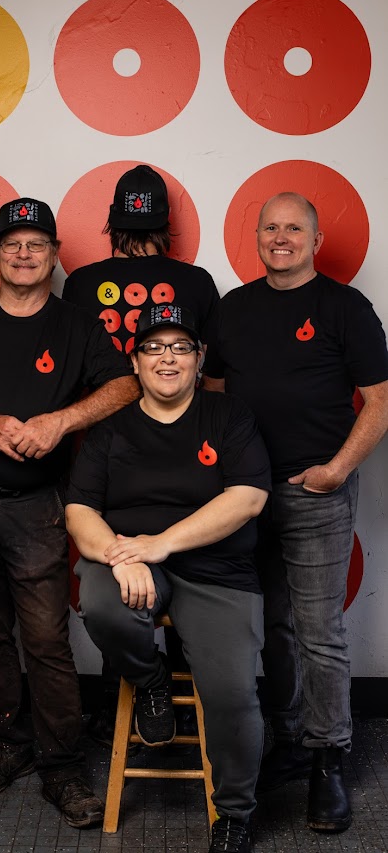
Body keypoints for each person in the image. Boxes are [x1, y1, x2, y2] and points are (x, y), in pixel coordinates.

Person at [0, 197, 138, 828]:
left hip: (37, 506)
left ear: (55, 255)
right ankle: (9, 745)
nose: (23, 253)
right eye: (12, 243)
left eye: (36, 244)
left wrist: (61, 421)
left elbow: (125, 384)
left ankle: (61, 764)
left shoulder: (76, 325)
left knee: (45, 639)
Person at [203, 192, 388, 833]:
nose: (281, 238)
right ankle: (288, 741)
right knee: (272, 626)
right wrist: (226, 473)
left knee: (318, 632)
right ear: (256, 236)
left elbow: (380, 401)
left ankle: (328, 759)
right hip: (245, 497)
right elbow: (215, 393)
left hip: (316, 493)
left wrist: (335, 471)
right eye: (271, 228)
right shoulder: (232, 308)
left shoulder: (345, 307)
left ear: (315, 240)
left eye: (294, 228)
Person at [67, 303, 271, 853]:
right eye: (154, 347)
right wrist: (120, 556)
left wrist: (162, 543)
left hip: (219, 570)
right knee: (101, 601)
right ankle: (150, 679)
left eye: (181, 347)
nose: (167, 358)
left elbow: (248, 498)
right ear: (134, 362)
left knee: (232, 694)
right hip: (132, 561)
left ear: (199, 359)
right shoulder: (111, 430)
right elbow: (79, 511)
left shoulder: (229, 415)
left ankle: (234, 812)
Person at [63, 163, 220, 744]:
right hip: (185, 451)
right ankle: (185, 701)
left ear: (112, 223)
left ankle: (127, 699)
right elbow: (215, 381)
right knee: (184, 573)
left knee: (116, 579)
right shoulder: (196, 282)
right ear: (165, 224)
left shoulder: (82, 283)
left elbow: (73, 380)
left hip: (107, 455)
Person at [62, 163, 219, 354]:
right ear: (168, 214)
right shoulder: (198, 282)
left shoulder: (79, 283)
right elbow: (210, 362)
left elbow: (69, 357)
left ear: (113, 215)